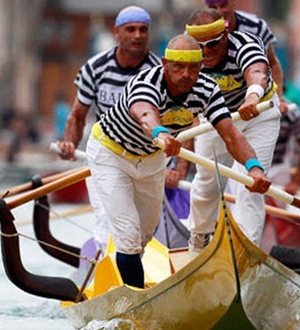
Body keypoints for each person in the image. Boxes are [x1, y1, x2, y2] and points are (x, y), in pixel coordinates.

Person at [83, 34, 270, 287]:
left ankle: (126, 283)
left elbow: (231, 134)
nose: (186, 75)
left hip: (151, 158)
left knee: (145, 234)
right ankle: (136, 302)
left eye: (193, 68)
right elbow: (145, 112)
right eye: (178, 67)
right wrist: (159, 133)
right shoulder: (146, 84)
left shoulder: (208, 90)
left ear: (201, 67)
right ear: (164, 64)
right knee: (128, 235)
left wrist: (254, 168)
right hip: (111, 154)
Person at [56, 6, 160, 250]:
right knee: (107, 219)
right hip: (106, 154)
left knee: (144, 229)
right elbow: (77, 116)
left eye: (143, 30)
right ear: (117, 32)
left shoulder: (158, 71)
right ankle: (108, 270)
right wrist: (69, 143)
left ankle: (135, 271)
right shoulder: (95, 68)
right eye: (131, 30)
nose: (137, 35)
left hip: (147, 157)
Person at [182, 8, 280, 251]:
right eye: (200, 46)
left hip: (258, 115)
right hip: (216, 118)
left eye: (213, 44)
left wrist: (252, 96)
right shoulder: (187, 56)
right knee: (206, 182)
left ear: (225, 35)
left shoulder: (246, 44)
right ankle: (199, 241)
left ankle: (245, 250)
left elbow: (256, 73)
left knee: (250, 185)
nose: (206, 53)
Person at [200, 0, 286, 112]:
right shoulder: (195, 34)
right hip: (214, 109)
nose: (219, 12)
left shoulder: (256, 27)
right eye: (212, 7)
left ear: (233, 0)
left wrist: (280, 98)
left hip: (253, 103)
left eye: (223, 5)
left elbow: (273, 63)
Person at [269, 99, 300, 197]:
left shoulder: (291, 110)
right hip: (245, 169)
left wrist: (296, 181)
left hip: (278, 168)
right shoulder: (241, 104)